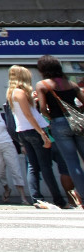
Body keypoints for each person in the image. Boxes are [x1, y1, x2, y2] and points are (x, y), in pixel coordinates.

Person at [8, 64, 66, 209]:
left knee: (33, 166)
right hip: (33, 130)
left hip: (23, 131)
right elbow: (29, 115)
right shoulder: (20, 92)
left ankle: (37, 198)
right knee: (45, 166)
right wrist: (42, 133)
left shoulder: (12, 93)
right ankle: (59, 200)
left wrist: (33, 100)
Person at [35, 54, 84, 199]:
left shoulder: (42, 85)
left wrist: (50, 118)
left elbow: (43, 108)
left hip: (59, 123)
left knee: (72, 162)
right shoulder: (71, 84)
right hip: (78, 124)